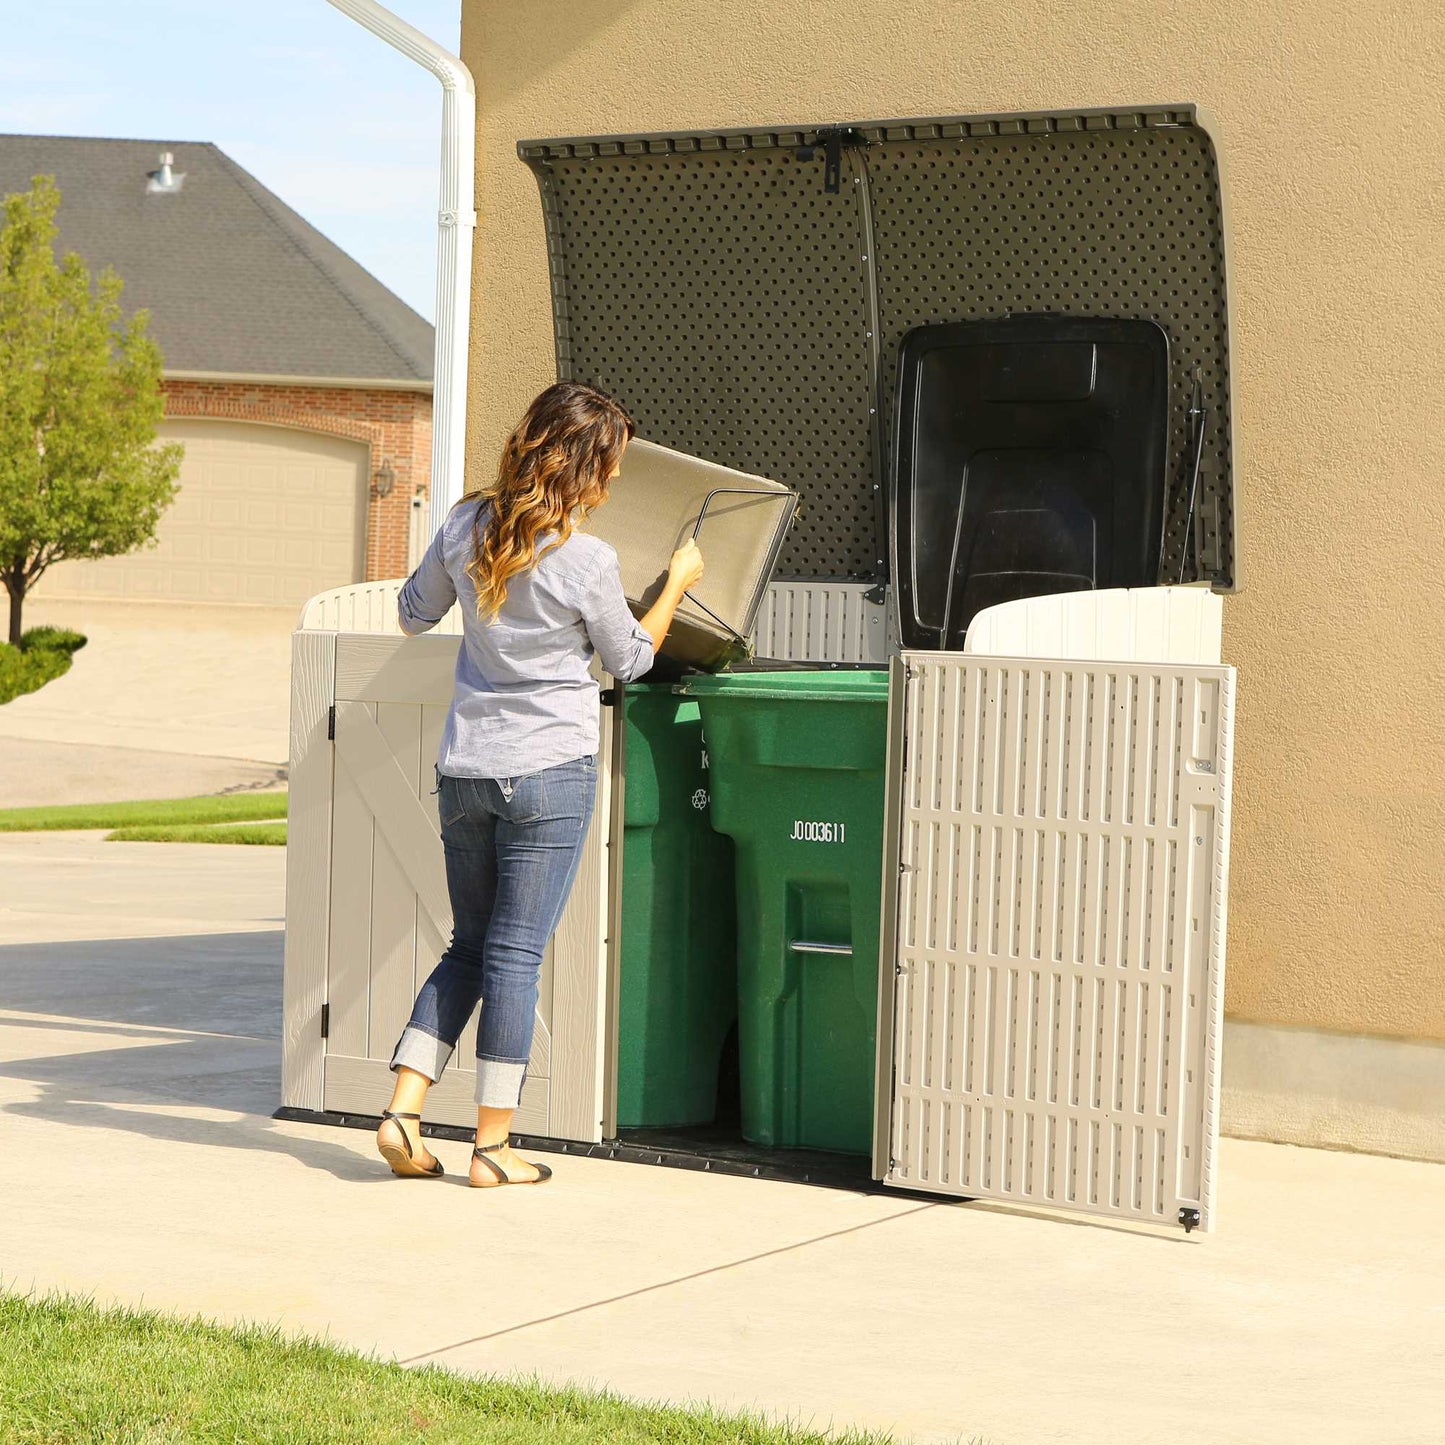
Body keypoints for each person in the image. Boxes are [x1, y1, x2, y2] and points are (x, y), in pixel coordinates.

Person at [375, 381, 704, 1187]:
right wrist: (677, 586)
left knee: (469, 945)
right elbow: (629, 660)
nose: (617, 479)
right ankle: (492, 1148)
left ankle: (402, 1107)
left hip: (466, 772)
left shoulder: (462, 523)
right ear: (584, 464)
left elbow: (412, 613)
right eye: (613, 464)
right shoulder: (586, 560)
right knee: (515, 955)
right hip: (549, 769)